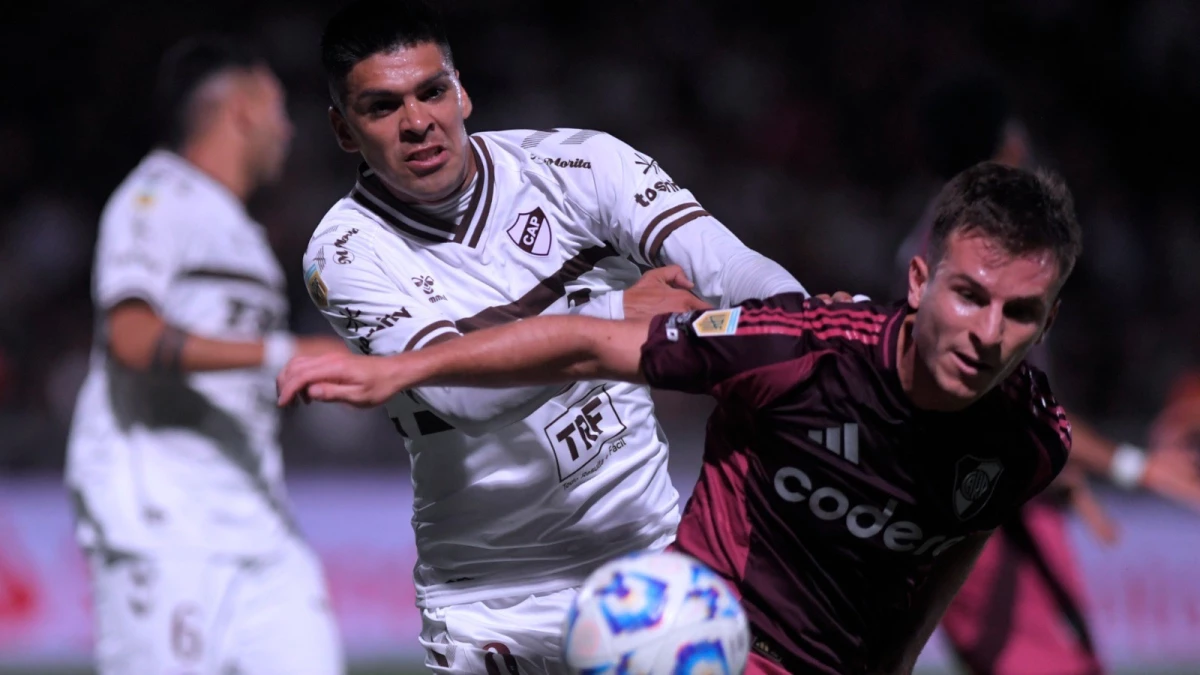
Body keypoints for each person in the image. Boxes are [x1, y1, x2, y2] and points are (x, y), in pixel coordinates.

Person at [282, 160, 1078, 674]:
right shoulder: (799, 353)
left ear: (1045, 327)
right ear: (919, 281)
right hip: (707, 643)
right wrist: (398, 367)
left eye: (1018, 313)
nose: (985, 332)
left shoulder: (1029, 441)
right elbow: (590, 344)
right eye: (969, 294)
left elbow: (961, 526)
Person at [306, 0, 812, 671]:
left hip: (647, 568)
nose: (418, 121)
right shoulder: (345, 250)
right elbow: (458, 391)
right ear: (345, 130)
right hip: (492, 602)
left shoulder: (581, 167)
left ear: (462, 91)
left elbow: (730, 269)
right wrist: (614, 316)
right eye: (382, 106)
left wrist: (817, 331)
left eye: (432, 91)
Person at [901, 70, 1200, 675]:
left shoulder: (944, 247)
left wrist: (1052, 467)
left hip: (994, 498)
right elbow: (1006, 407)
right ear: (1005, 145)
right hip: (980, 506)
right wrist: (1131, 464)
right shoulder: (986, 262)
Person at [65, 35, 345, 675]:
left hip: (257, 518)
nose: (286, 130)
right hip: (162, 525)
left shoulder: (236, 229)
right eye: (276, 108)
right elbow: (131, 337)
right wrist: (282, 350)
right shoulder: (154, 198)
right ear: (242, 108)